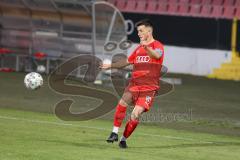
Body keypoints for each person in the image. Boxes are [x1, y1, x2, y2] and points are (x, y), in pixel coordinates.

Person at [100, 19, 164, 148]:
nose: (139, 33)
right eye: (138, 31)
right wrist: (110, 66)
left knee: (135, 114)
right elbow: (127, 61)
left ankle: (123, 139)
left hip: (148, 88)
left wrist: (146, 47)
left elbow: (157, 56)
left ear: (149, 31)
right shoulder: (139, 48)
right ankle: (114, 132)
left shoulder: (158, 46)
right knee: (122, 103)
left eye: (141, 31)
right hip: (134, 84)